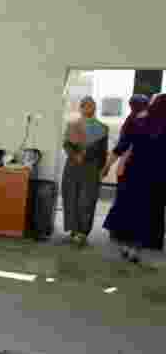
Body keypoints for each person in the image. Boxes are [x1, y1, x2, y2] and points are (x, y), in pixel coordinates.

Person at [102, 94, 166, 261]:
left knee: (128, 209)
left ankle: (125, 246)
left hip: (133, 172)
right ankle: (136, 249)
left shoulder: (138, 121)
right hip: (155, 177)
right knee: (145, 212)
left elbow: (121, 146)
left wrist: (108, 165)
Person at [61, 97, 109, 246]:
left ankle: (83, 232)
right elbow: (66, 145)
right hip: (73, 166)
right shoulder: (73, 125)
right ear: (81, 108)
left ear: (95, 108)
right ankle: (74, 230)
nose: (89, 108)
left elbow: (103, 151)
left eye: (92, 106)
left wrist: (102, 168)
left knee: (87, 200)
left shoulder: (102, 127)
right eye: (86, 106)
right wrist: (75, 155)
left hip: (91, 168)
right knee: (71, 197)